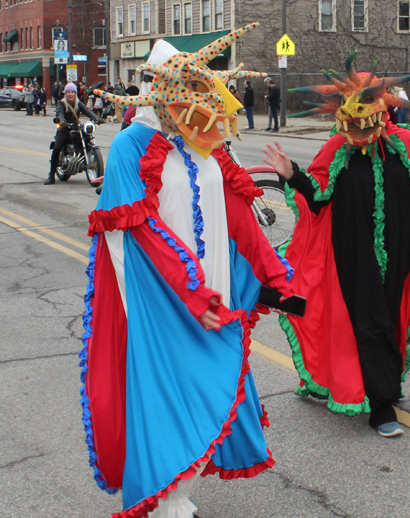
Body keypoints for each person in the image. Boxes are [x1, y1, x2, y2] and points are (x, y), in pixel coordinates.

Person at [81, 24, 293, 518]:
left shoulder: (203, 138)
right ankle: (165, 497)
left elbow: (240, 214)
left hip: (212, 284)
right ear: (157, 89)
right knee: (169, 389)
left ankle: (181, 491)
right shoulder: (133, 144)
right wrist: (182, 292)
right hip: (164, 296)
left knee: (207, 384)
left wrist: (276, 277)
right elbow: (132, 229)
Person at [263, 52, 410, 438]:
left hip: (399, 249)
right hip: (352, 252)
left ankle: (383, 385)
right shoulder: (338, 148)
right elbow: (316, 198)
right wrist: (293, 175)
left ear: (384, 108)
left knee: (392, 317)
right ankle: (381, 406)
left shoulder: (406, 146)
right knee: (369, 321)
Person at [44, 83, 101, 185]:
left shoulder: (78, 103)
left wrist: (96, 118)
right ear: (65, 93)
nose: (70, 94)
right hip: (64, 129)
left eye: (73, 92)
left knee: (87, 141)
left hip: (77, 128)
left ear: (75, 93)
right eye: (68, 92)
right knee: (57, 148)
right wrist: (62, 120)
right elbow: (60, 112)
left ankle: (86, 161)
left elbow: (87, 111)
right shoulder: (61, 103)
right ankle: (51, 175)